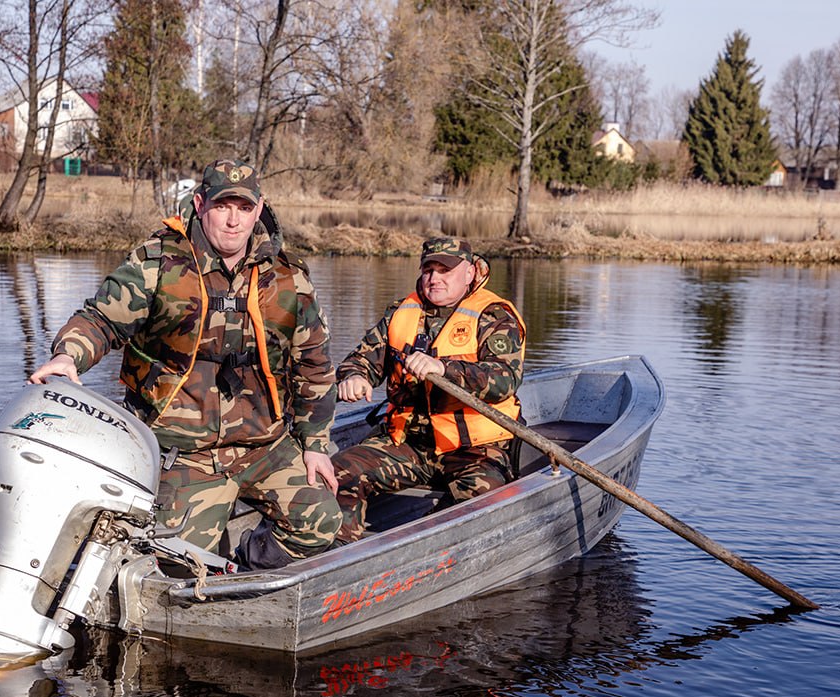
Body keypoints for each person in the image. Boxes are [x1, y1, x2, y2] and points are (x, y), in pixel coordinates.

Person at [29, 159, 341, 569]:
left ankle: (245, 571)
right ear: (199, 203)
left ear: (259, 208)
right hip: (184, 452)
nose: (233, 221)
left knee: (322, 522)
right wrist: (68, 355)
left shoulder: (287, 277)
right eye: (222, 206)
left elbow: (314, 364)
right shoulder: (158, 262)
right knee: (178, 564)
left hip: (265, 447)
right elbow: (102, 319)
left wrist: (315, 445)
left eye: (244, 208)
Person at [330, 236, 526, 544]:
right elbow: (361, 359)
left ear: (469, 273)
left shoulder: (495, 317)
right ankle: (339, 557)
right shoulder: (400, 313)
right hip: (408, 442)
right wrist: (355, 376)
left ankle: (451, 562)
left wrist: (444, 368)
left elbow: (504, 380)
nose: (434, 279)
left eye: (444, 271)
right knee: (338, 472)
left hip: (474, 448)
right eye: (428, 270)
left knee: (482, 504)